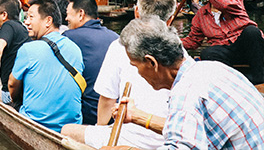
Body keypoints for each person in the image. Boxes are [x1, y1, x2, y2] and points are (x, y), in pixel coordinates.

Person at [101, 16, 264, 150]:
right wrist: (137, 116)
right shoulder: (213, 68)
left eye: (136, 66)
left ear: (152, 63)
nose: (137, 73)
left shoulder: (185, 93)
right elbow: (188, 130)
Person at [61, 0, 177, 150]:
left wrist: (100, 129)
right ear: (170, 19)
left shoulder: (121, 45)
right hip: (170, 139)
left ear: (136, 13)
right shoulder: (181, 53)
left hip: (133, 138)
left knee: (66, 131)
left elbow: (107, 100)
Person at [8, 0, 84, 132]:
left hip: (35, 123)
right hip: (71, 126)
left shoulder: (28, 49)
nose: (26, 22)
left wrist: (17, 102)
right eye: (26, 18)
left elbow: (12, 84)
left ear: (48, 21)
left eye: (31, 17)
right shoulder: (75, 48)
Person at [181, 0, 264, 84]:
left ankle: (259, 76)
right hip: (225, 51)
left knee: (252, 32)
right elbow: (193, 41)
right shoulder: (200, 15)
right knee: (207, 53)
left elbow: (223, 4)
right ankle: (231, 79)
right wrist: (171, 41)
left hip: (246, 47)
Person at [62, 0, 118, 125]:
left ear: (81, 14)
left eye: (68, 14)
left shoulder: (69, 37)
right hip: (115, 112)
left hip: (89, 113)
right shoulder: (115, 37)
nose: (66, 18)